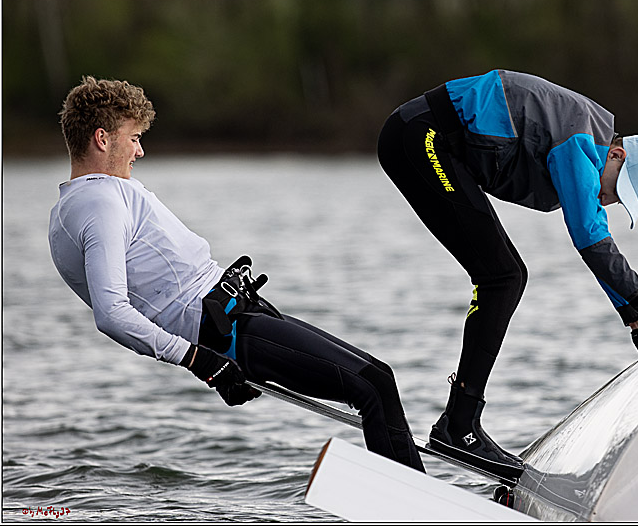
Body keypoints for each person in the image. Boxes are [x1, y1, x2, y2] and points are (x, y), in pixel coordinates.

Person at [48, 76, 424, 472]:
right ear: (102, 139)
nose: (140, 150)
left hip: (238, 313)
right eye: (134, 138)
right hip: (227, 333)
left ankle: (416, 493)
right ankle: (420, 509)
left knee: (379, 377)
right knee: (373, 388)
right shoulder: (97, 202)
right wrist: (198, 360)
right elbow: (111, 314)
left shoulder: (86, 202)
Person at [377, 68, 638, 480]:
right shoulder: (580, 138)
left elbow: (596, 242)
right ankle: (459, 427)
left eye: (616, 201)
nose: (606, 199)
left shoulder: (590, 144)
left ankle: (459, 423)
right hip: (422, 138)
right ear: (616, 155)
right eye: (614, 190)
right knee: (503, 278)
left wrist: (634, 319)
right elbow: (591, 241)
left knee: (506, 276)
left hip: (427, 140)